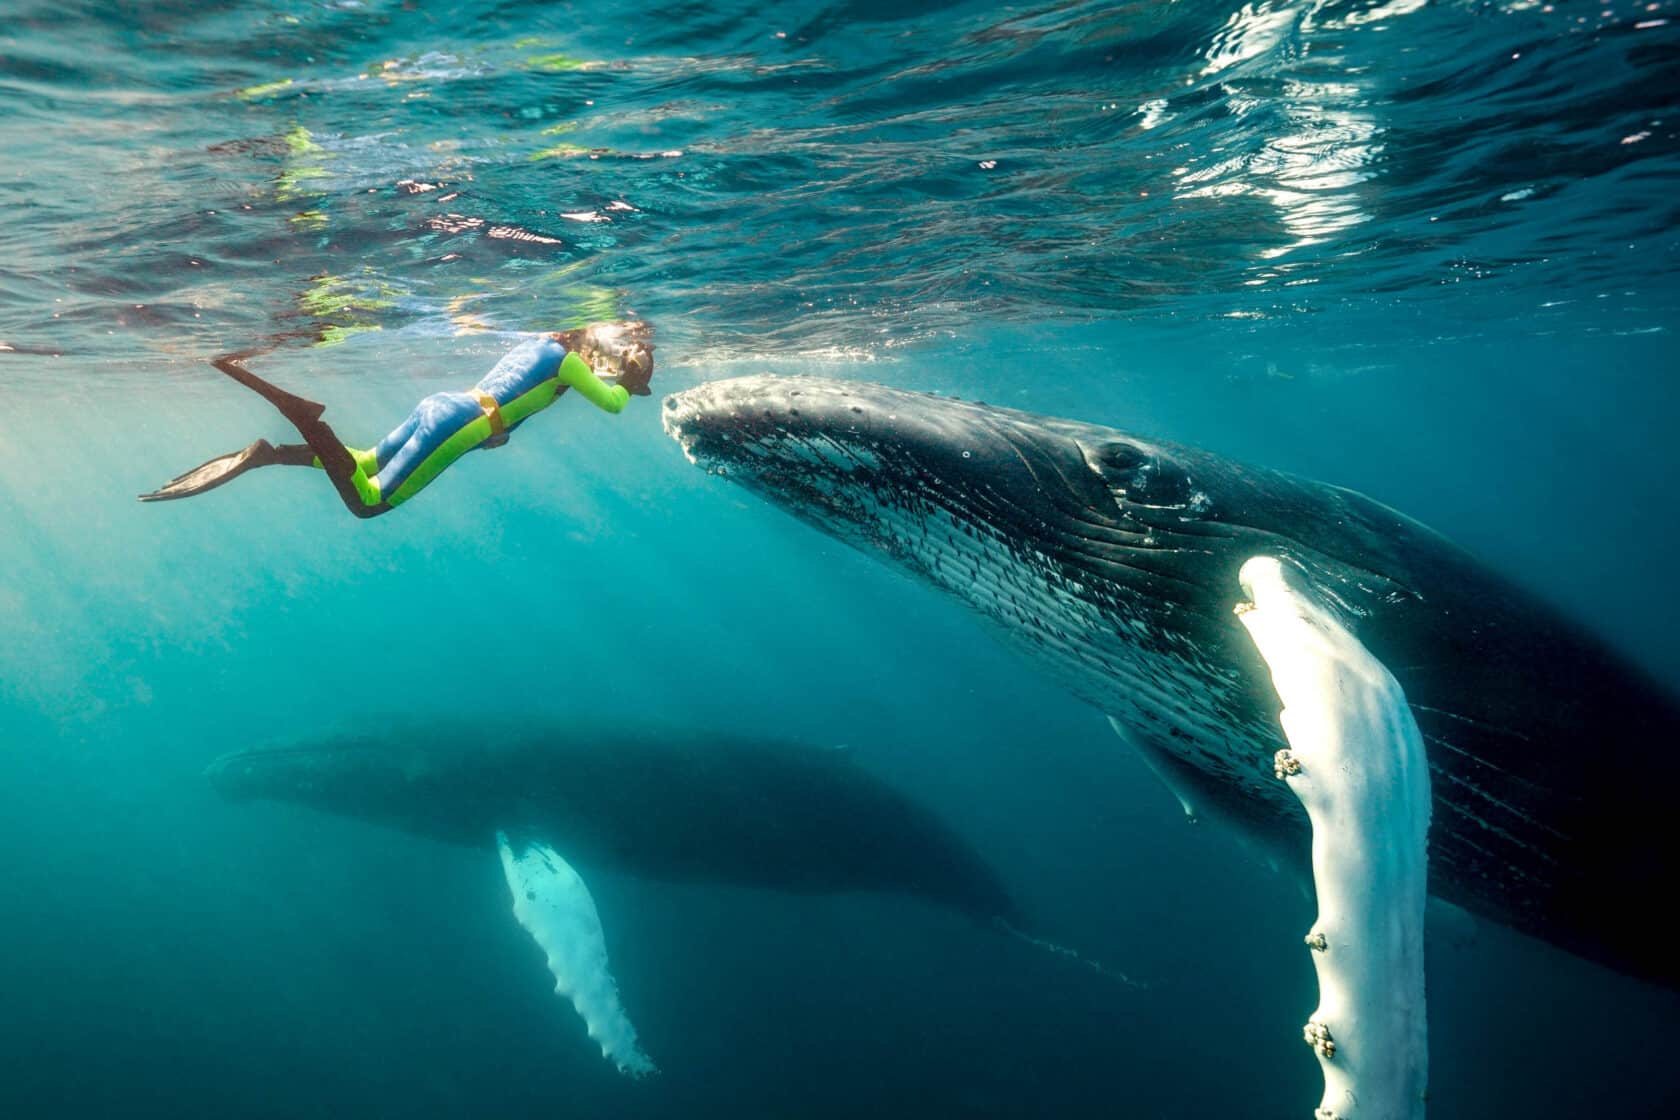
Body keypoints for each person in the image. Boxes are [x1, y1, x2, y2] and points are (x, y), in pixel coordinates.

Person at [138, 322, 654, 518]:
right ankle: (300, 417)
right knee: (369, 502)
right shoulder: (569, 363)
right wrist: (629, 383)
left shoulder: (538, 342)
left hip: (446, 405)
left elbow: (516, 394)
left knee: (361, 462)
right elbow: (612, 405)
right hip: (463, 423)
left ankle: (269, 456)